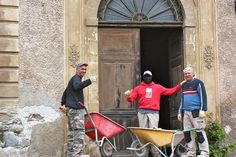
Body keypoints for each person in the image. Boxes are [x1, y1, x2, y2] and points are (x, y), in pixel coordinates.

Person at [125, 70, 186, 156]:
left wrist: (181, 84)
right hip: (142, 113)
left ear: (151, 77)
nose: (147, 77)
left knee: (154, 134)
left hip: (154, 113)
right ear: (143, 77)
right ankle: (143, 152)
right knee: (143, 133)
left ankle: (155, 153)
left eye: (148, 76)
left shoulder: (158, 87)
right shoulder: (138, 88)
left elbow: (171, 91)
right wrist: (128, 96)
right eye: (145, 76)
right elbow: (131, 99)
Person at [60, 63, 93, 157]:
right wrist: (89, 81)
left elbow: (66, 92)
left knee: (72, 133)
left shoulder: (73, 79)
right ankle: (78, 154)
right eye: (82, 69)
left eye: (85, 69)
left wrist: (62, 104)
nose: (84, 71)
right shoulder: (76, 79)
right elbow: (77, 87)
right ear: (77, 69)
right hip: (76, 110)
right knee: (79, 131)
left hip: (71, 110)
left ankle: (70, 154)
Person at [178, 66, 209, 157]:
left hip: (196, 111)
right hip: (186, 112)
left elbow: (203, 96)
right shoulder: (184, 85)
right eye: (185, 73)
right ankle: (191, 153)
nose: (187, 75)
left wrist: (203, 109)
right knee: (187, 133)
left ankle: (204, 153)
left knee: (199, 131)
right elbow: (182, 100)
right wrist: (180, 112)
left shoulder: (198, 83)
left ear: (192, 73)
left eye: (189, 73)